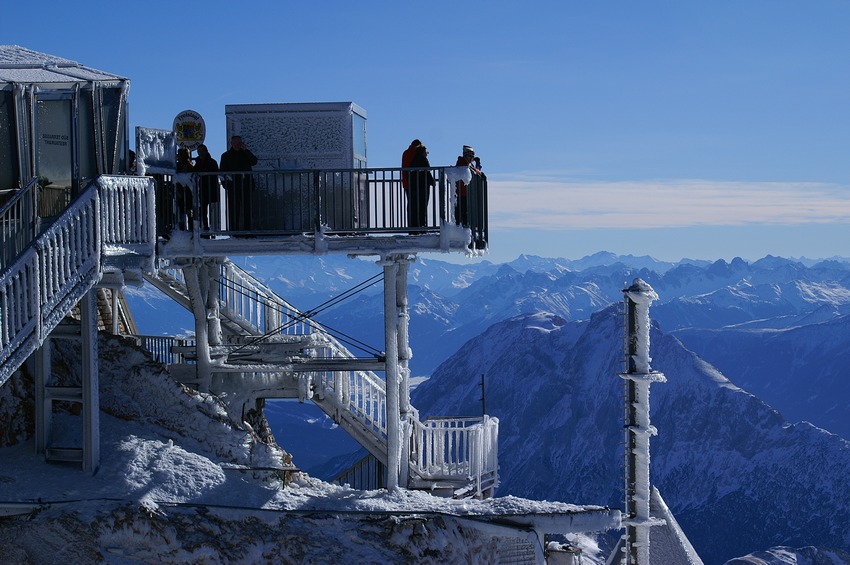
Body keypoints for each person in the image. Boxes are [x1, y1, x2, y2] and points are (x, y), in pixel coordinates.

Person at [220, 135, 258, 232]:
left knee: (247, 209)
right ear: (231, 144)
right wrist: (226, 185)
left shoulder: (245, 154)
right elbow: (222, 172)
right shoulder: (226, 156)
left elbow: (254, 161)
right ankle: (234, 231)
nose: (237, 145)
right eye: (235, 143)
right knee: (233, 210)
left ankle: (248, 231)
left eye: (238, 143)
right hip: (233, 186)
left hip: (246, 185)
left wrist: (246, 150)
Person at [408, 144, 435, 230]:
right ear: (422, 152)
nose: (426, 154)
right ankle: (422, 226)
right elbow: (427, 171)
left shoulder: (413, 160)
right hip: (423, 186)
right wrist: (432, 182)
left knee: (415, 207)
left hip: (414, 187)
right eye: (426, 152)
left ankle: (414, 227)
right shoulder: (423, 160)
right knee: (422, 207)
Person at [194, 144, 219, 232]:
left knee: (212, 211)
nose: (200, 153)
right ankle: (204, 228)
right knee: (202, 211)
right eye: (199, 152)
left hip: (210, 188)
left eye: (202, 151)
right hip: (201, 189)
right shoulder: (197, 163)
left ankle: (212, 229)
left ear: (206, 151)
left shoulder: (212, 162)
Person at [454, 144, 480, 228]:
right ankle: (461, 228)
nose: (471, 158)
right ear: (465, 155)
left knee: (465, 211)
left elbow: (476, 172)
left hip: (466, 193)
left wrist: (478, 165)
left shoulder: (468, 164)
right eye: (469, 156)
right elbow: (474, 171)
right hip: (462, 193)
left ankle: (463, 226)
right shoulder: (462, 164)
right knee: (462, 212)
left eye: (473, 156)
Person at [175, 146, 194, 230]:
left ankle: (190, 227)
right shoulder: (177, 165)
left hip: (188, 191)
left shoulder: (189, 166)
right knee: (180, 211)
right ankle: (182, 227)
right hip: (179, 191)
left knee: (189, 210)